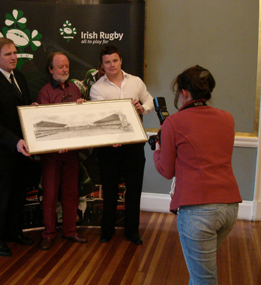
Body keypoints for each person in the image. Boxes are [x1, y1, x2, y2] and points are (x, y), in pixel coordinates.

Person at [153, 65, 242, 284]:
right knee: (201, 274)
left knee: (204, 279)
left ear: (184, 92)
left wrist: (157, 149)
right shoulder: (227, 118)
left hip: (198, 212)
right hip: (229, 207)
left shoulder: (173, 122)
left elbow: (166, 171)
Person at [90, 45, 154, 245]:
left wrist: (141, 108)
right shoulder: (97, 88)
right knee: (109, 188)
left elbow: (149, 100)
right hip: (109, 146)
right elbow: (100, 117)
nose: (112, 65)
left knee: (134, 188)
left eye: (115, 61)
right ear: (102, 65)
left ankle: (132, 231)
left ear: (121, 61)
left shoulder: (135, 81)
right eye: (107, 62)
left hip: (133, 144)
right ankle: (107, 231)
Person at [0, 37, 35, 257]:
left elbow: (19, 110)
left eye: (15, 52)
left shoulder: (19, 76)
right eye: (8, 54)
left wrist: (32, 109)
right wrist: (14, 141)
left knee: (18, 195)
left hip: (22, 151)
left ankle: (14, 232)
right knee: (0, 198)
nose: (14, 57)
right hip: (2, 152)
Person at [37, 52, 88, 250]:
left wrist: (82, 108)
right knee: (50, 195)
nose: (65, 70)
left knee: (71, 193)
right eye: (60, 67)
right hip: (52, 154)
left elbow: (80, 120)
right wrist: (58, 142)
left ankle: (70, 231)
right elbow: (45, 124)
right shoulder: (45, 92)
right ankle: (49, 234)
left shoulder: (76, 89)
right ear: (51, 70)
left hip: (72, 153)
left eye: (67, 66)